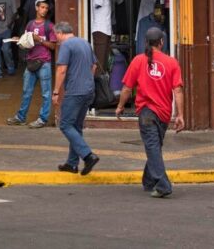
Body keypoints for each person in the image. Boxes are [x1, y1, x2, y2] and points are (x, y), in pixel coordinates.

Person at [116, 27, 184, 198]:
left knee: (154, 147)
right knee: (154, 146)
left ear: (145, 42)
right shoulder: (171, 62)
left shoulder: (138, 61)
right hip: (164, 113)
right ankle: (150, 181)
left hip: (147, 113)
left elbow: (127, 88)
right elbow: (178, 91)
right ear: (162, 42)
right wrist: (180, 115)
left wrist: (120, 106)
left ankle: (161, 185)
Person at [52, 21, 100, 175]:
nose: (57, 39)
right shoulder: (85, 43)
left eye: (56, 36)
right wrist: (87, 80)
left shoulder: (66, 45)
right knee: (76, 127)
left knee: (65, 125)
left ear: (60, 33)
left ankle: (88, 155)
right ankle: (72, 164)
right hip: (88, 90)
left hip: (74, 91)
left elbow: (61, 70)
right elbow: (94, 66)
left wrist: (56, 92)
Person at [7, 0, 57, 128]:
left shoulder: (49, 26)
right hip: (31, 61)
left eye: (46, 8)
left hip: (44, 62)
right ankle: (21, 117)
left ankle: (42, 119)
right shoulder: (30, 24)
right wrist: (17, 39)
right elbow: (26, 40)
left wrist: (39, 39)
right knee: (26, 91)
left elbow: (53, 46)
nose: (44, 10)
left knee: (46, 93)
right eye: (42, 7)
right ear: (36, 8)